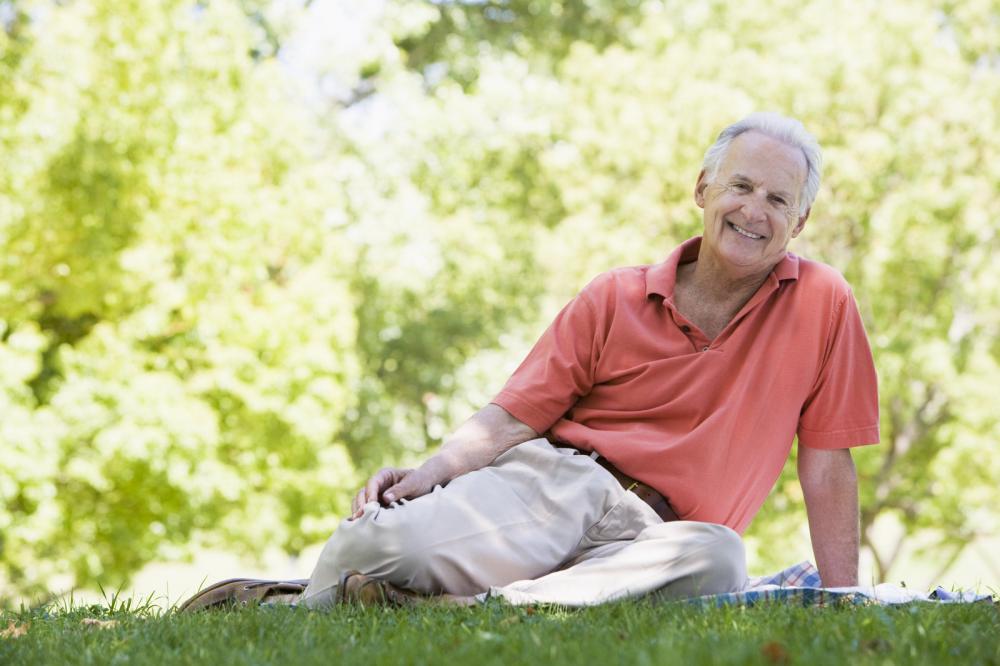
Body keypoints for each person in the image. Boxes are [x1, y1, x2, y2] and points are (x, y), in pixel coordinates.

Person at [183, 112, 879, 611]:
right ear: (704, 190)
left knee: (721, 559)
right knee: (371, 551)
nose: (755, 210)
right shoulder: (616, 295)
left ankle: (480, 608)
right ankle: (297, 596)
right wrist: (430, 473)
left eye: (778, 199)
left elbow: (827, 464)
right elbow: (512, 417)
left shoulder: (823, 303)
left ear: (800, 223)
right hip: (553, 488)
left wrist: (845, 598)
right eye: (742, 186)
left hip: (659, 538)